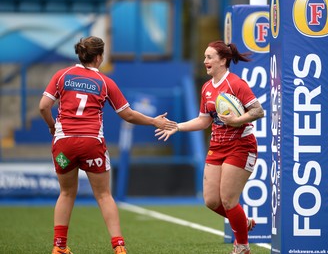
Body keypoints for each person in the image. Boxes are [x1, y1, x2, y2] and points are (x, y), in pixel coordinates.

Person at [39, 36, 176, 254]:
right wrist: (154, 121)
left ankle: (59, 246)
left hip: (64, 143)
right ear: (100, 56)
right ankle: (119, 247)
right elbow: (128, 115)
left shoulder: (61, 75)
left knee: (66, 193)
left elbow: (43, 107)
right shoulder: (105, 82)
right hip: (92, 143)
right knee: (104, 195)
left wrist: (52, 126)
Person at [156, 40, 264, 254]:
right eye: (204, 57)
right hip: (217, 147)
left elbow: (258, 111)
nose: (205, 61)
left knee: (228, 199)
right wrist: (177, 126)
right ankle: (243, 223)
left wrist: (237, 120)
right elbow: (204, 121)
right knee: (211, 201)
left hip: (241, 146)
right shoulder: (206, 88)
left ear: (223, 60)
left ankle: (242, 246)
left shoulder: (236, 84)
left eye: (209, 57)